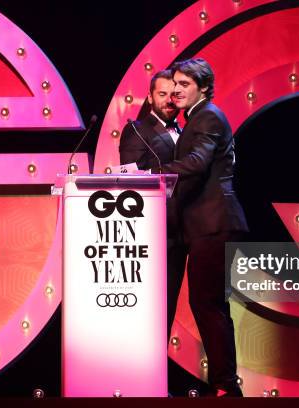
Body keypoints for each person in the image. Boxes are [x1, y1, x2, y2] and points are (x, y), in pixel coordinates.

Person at [153, 58, 248, 397]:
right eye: (174, 83)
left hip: (215, 223)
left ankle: (226, 386)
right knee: (209, 304)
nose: (176, 90)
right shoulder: (198, 117)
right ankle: (225, 384)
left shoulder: (207, 116)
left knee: (208, 304)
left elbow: (196, 162)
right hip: (209, 225)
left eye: (184, 84)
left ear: (203, 88)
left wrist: (154, 175)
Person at [119, 70, 187, 342]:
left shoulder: (186, 130)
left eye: (174, 94)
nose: (169, 100)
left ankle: (159, 375)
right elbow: (130, 180)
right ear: (149, 97)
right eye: (162, 94)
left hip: (181, 233)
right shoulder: (137, 130)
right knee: (148, 308)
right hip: (151, 234)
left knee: (168, 305)